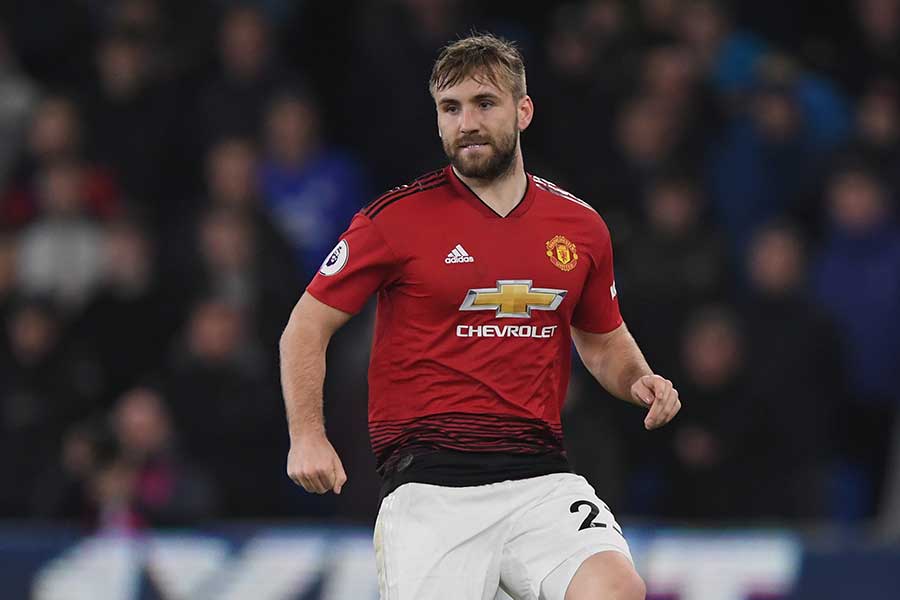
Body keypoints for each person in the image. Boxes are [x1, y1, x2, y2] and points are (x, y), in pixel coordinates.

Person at [279, 34, 681, 600]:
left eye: (484, 103)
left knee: (616, 589)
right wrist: (307, 436)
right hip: (431, 489)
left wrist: (638, 378)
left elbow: (601, 338)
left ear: (523, 110)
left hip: (541, 477)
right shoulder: (394, 220)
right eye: (451, 108)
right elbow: (305, 327)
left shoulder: (580, 228)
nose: (466, 122)